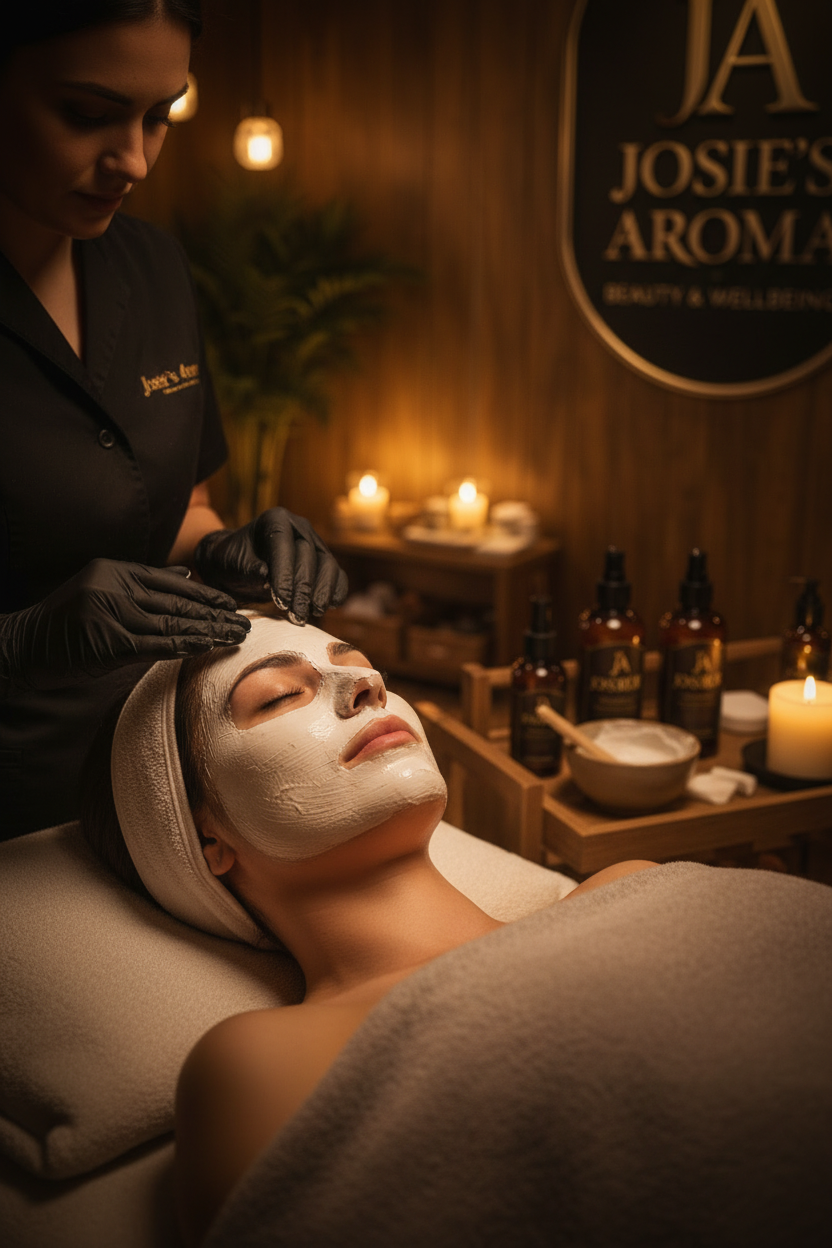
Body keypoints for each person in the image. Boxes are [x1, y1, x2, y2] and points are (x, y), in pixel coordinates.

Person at [82, 610, 657, 1247]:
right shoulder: (258, 1065)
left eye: (359, 666)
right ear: (205, 835)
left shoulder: (630, 891)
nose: (367, 686)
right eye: (279, 695)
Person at [0, 2, 347, 838]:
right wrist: (18, 641)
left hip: (158, 781)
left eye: (159, 116)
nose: (135, 160)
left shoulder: (151, 265)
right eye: (87, 114)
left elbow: (178, 509)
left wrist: (226, 551)